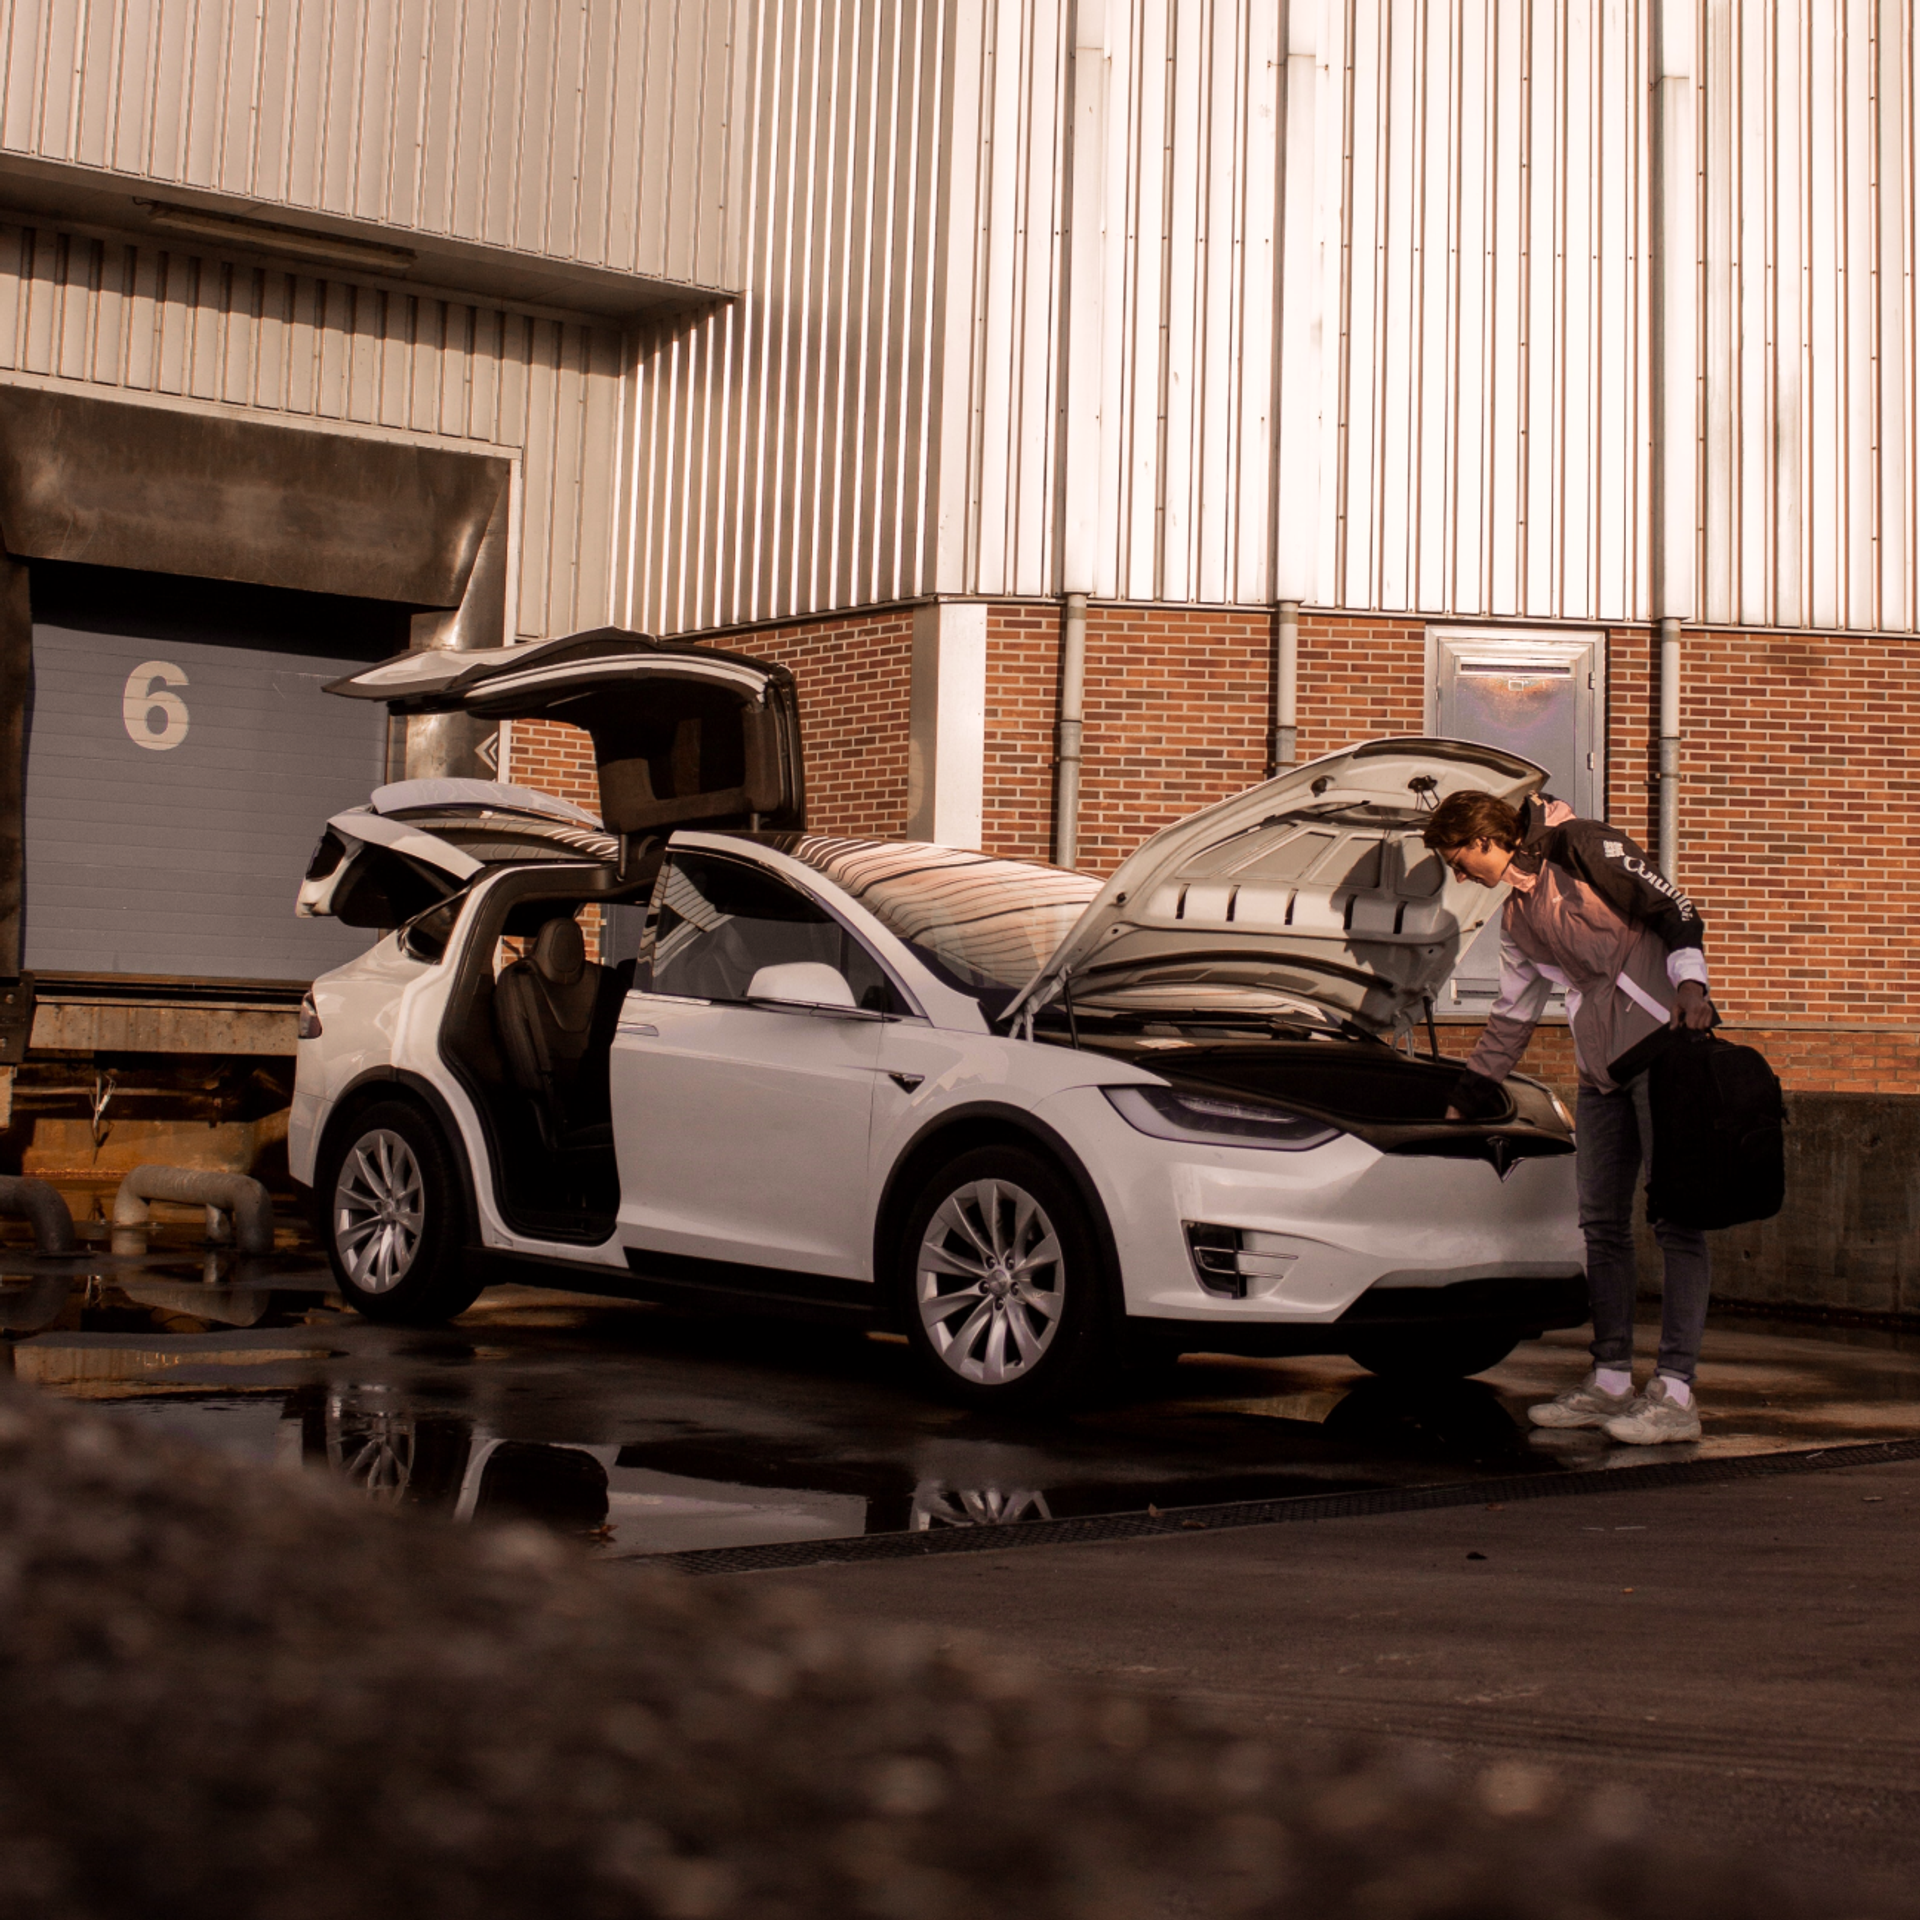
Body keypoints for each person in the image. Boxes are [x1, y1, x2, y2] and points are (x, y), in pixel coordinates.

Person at [1422, 790, 1717, 1445]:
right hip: (1600, 1074)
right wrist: (1465, 1099)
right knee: (1602, 1228)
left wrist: (1692, 987)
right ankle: (1611, 1383)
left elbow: (1674, 909)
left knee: (1676, 1221)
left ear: (1484, 838)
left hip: (1664, 1049)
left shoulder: (1583, 845)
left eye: (1459, 861)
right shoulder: (1518, 918)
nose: (1460, 876)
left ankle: (1674, 1393)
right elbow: (1511, 1017)